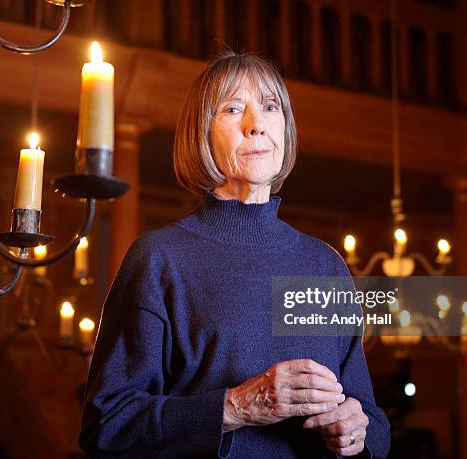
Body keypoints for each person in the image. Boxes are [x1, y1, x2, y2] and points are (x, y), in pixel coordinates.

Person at [79, 50, 391, 458]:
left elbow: (375, 423)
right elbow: (106, 425)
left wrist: (358, 431)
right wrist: (236, 407)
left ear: (285, 127)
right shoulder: (159, 259)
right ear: (201, 132)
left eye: (269, 106)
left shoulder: (325, 265)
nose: (256, 125)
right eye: (232, 108)